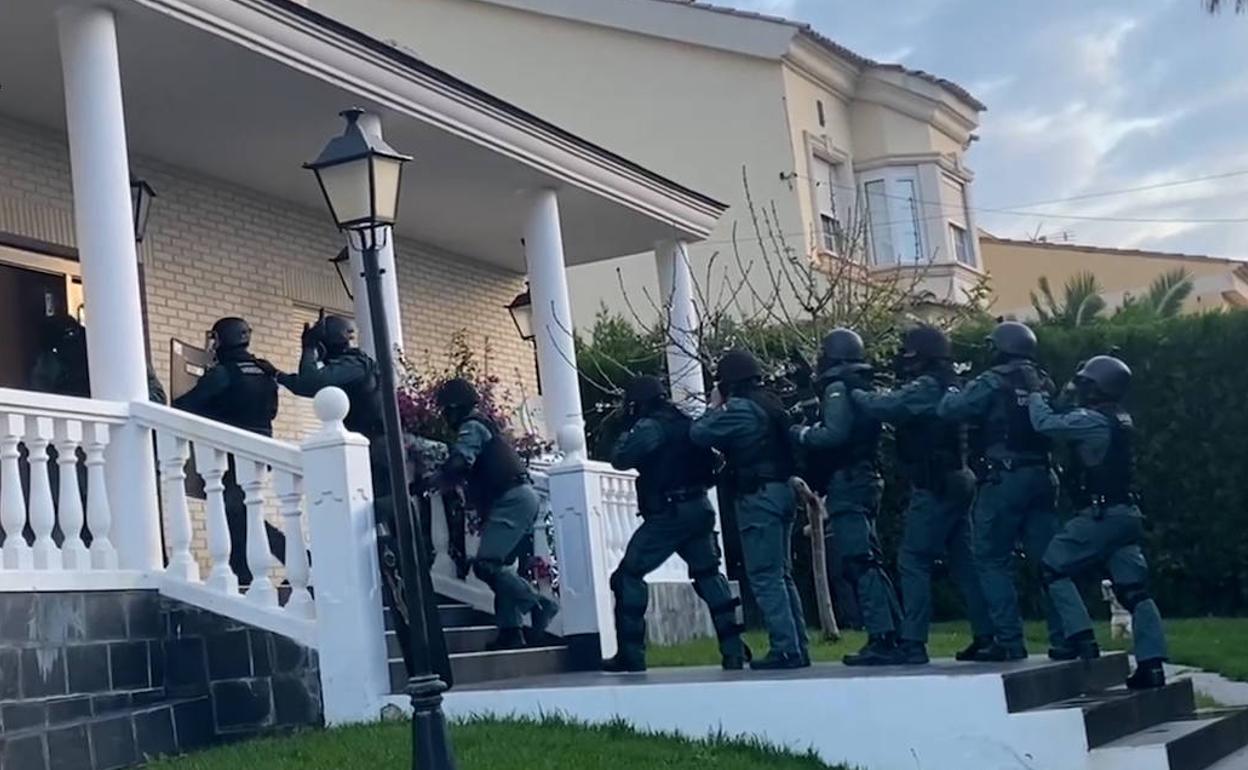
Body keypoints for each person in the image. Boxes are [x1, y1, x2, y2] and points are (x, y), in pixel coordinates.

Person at [850, 325, 994, 665]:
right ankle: (988, 635)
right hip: (959, 478)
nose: (905, 360)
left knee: (913, 559)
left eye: (910, 355)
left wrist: (853, 390)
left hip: (935, 484)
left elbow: (885, 407)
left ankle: (912, 642)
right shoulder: (950, 382)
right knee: (965, 562)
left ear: (923, 357)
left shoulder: (927, 387)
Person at [1031, 356, 1169, 689]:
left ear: (1097, 388)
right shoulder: (1120, 418)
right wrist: (1067, 390)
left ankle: (1081, 637)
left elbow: (1045, 424)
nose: (1080, 388)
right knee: (1134, 591)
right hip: (1126, 516)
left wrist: (1037, 393)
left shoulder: (1091, 420)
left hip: (1100, 516)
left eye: (1084, 382)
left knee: (1053, 567)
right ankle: (1152, 665)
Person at [937, 321, 1066, 661]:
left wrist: (952, 389)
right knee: (1049, 562)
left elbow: (950, 410)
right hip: (1042, 476)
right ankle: (1066, 637)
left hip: (1004, 480)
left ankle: (1008, 641)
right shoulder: (1043, 380)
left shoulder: (992, 382)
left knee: (991, 559)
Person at [602, 375, 749, 673]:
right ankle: (733, 651)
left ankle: (631, 656)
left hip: (669, 514)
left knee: (627, 577)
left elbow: (620, 458)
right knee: (709, 575)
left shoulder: (649, 427)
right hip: (699, 507)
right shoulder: (683, 422)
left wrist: (621, 429)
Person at [690, 350, 808, 670]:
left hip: (759, 497)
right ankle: (798, 645)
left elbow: (699, 433)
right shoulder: (770, 402)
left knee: (766, 577)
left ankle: (785, 649)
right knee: (782, 575)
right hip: (781, 491)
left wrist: (714, 405)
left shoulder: (741, 409)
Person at [792, 329, 902, 666]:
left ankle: (882, 636)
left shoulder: (840, 387)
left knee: (858, 560)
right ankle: (896, 631)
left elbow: (833, 434)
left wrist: (800, 432)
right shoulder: (862, 384)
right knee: (870, 557)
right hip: (866, 478)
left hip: (849, 483)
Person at [433, 378, 558, 650]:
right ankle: (511, 631)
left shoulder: (472, 426)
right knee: (501, 567)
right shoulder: (484, 424)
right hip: (520, 498)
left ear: (456, 407)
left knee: (486, 565)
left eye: (446, 410)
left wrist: (436, 478)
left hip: (511, 500)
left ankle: (538, 604)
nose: (445, 417)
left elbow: (461, 460)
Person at [174, 317, 284, 585]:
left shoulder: (225, 373)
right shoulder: (264, 370)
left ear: (222, 339)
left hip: (233, 455)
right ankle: (241, 574)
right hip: (260, 451)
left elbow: (188, 405)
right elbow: (272, 411)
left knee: (239, 513)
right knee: (238, 513)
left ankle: (297, 559)